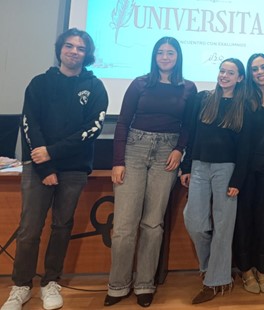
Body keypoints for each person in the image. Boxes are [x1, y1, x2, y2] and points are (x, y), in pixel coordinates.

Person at [1, 28, 108, 310]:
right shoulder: (39, 84)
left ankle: (50, 281)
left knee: (62, 226)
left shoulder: (96, 87)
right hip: (38, 168)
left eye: (80, 48)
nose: (74, 52)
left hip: (74, 170)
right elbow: (29, 125)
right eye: (69, 46)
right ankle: (21, 286)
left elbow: (92, 130)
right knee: (29, 229)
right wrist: (45, 165)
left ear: (87, 54)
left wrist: (53, 152)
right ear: (60, 49)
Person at [104, 37, 197, 307]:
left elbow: (188, 126)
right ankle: (118, 285)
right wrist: (118, 161)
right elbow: (122, 123)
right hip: (133, 150)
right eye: (160, 52)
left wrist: (179, 149)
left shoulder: (188, 88)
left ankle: (145, 283)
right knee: (124, 225)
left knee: (153, 224)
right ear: (154, 56)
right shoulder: (139, 84)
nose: (165, 57)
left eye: (170, 53)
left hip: (166, 154)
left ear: (178, 57)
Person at [180, 58, 249, 304]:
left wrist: (237, 180)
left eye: (230, 73)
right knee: (194, 221)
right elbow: (191, 135)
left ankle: (216, 280)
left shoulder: (243, 106)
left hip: (227, 170)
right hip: (199, 165)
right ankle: (211, 266)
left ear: (240, 78)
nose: (224, 76)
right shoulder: (202, 99)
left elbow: (245, 147)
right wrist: (186, 167)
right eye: (222, 71)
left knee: (223, 226)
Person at [233, 53, 264, 294]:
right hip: (246, 169)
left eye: (263, 67)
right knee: (244, 220)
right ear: (249, 74)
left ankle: (263, 269)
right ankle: (245, 270)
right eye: (254, 69)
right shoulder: (243, 99)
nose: (260, 72)